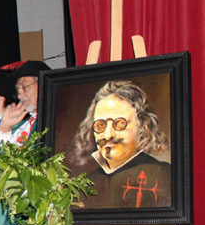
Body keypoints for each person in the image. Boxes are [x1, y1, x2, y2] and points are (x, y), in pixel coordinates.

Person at [73, 80, 171, 209]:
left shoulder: (166, 176)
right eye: (100, 125)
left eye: (119, 123)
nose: (108, 135)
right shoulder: (82, 186)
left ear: (142, 126)